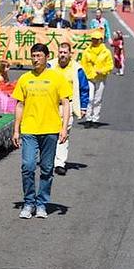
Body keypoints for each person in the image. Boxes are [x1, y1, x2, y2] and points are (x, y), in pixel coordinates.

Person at [11, 42, 71, 219]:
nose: (35, 59)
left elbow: (66, 103)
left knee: (46, 168)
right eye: (33, 56)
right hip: (29, 129)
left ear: (46, 57)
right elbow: (19, 105)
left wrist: (64, 127)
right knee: (28, 166)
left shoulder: (56, 78)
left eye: (39, 56)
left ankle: (42, 203)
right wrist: (16, 130)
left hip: (50, 129)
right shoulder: (25, 79)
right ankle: (29, 203)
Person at [49, 42, 87, 176]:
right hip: (51, 104)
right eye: (60, 52)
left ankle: (60, 163)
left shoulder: (77, 69)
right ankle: (49, 159)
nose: (62, 55)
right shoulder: (50, 66)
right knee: (50, 132)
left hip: (68, 105)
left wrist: (83, 107)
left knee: (64, 133)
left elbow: (84, 88)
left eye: (65, 53)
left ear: (71, 54)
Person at [80, 29, 113, 126]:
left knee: (98, 99)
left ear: (101, 40)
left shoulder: (106, 52)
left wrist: (102, 71)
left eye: (97, 39)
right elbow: (83, 64)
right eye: (93, 39)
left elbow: (110, 66)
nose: (94, 41)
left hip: (101, 78)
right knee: (89, 98)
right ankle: (88, 118)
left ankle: (95, 119)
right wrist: (85, 75)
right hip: (89, 78)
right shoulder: (87, 51)